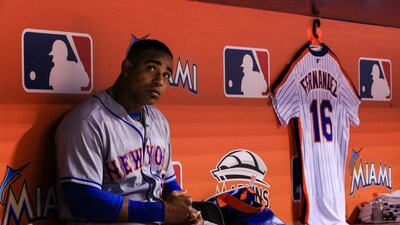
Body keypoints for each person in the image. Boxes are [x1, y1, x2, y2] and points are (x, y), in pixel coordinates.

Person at [56, 39, 207, 225]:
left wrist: (186, 213)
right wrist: (163, 211)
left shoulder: (159, 120)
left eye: (166, 75)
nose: (159, 81)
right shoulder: (88, 121)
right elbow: (83, 199)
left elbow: (168, 183)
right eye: (151, 68)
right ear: (127, 67)